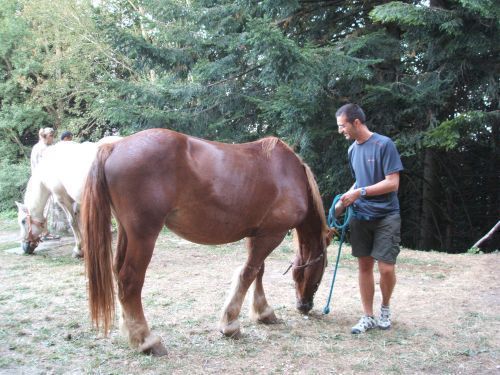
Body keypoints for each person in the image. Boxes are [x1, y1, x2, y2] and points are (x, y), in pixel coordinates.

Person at [335, 103, 403, 334]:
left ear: (356, 122)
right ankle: (367, 316)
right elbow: (358, 181)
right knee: (364, 267)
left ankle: (385, 307)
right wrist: (346, 198)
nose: (340, 130)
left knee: (386, 268)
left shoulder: (384, 144)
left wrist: (360, 193)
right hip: (361, 216)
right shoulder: (352, 150)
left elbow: (392, 182)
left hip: (386, 215)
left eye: (342, 126)